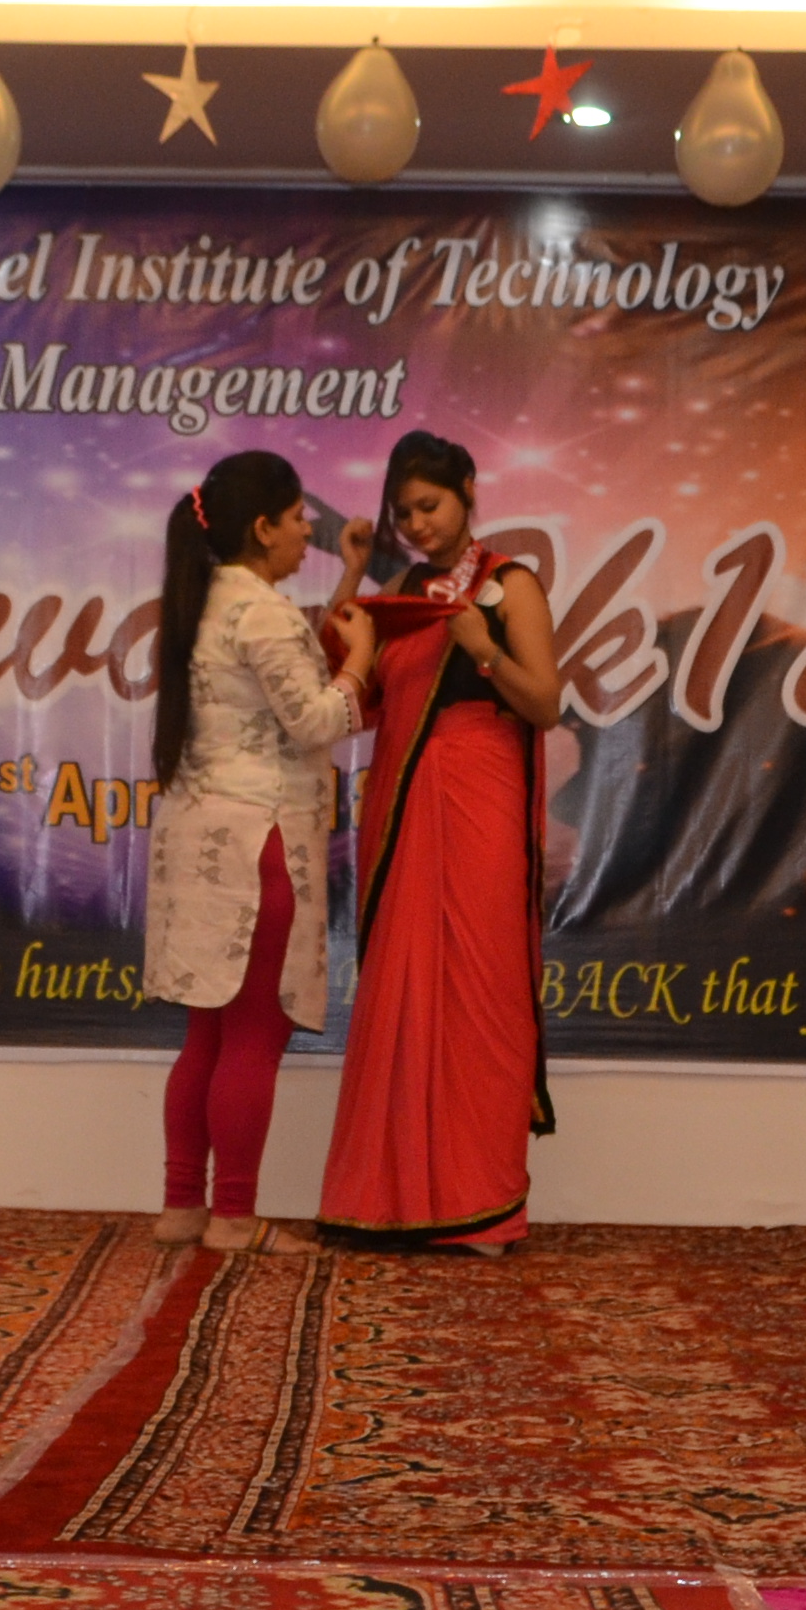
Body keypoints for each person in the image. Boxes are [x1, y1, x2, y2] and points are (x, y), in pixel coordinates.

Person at [318, 432, 560, 1252]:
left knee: (482, 990)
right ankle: (391, 1201)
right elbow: (350, 686)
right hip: (406, 799)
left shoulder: (510, 584)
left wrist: (485, 653)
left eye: (430, 506)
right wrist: (353, 573)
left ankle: (482, 1202)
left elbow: (546, 703)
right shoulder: (401, 590)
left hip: (481, 797)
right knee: (403, 991)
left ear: (468, 491)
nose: (418, 524)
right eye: (405, 513)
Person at [139, 450, 372, 1252]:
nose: (310, 532)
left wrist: (349, 583)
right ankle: (234, 1217)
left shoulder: (204, 601)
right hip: (258, 845)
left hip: (201, 840)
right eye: (300, 517)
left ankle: (183, 1207)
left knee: (207, 1036)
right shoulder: (263, 611)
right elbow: (313, 718)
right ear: (263, 527)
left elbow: (291, 680)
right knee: (251, 1037)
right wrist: (365, 660)